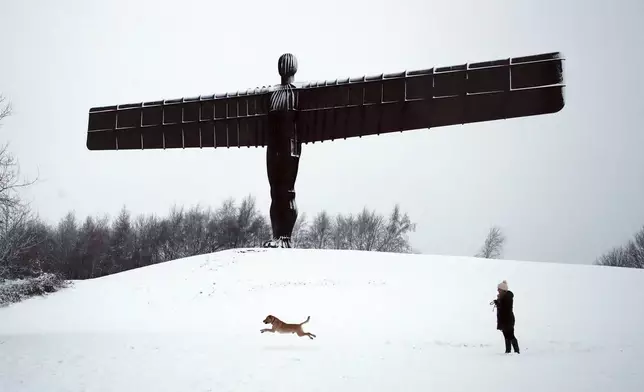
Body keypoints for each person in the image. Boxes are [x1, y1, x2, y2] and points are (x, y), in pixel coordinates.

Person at [492, 280, 520, 354]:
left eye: (499, 289)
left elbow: (505, 308)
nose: (498, 290)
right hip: (505, 320)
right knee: (506, 336)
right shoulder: (504, 297)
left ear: (503, 290)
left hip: (508, 320)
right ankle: (508, 351)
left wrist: (498, 302)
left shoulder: (507, 298)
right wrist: (498, 301)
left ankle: (516, 351)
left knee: (510, 335)